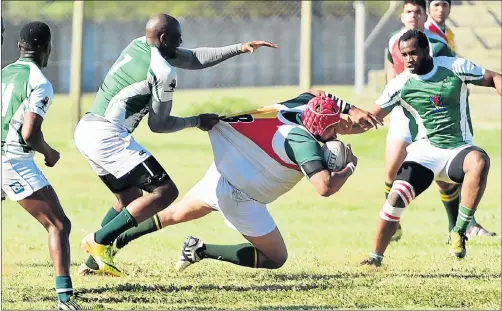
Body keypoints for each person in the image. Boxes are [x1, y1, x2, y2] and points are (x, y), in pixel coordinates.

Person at [82, 90, 381, 272]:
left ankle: (102, 246)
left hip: (227, 170)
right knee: (276, 258)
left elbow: (316, 93)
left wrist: (349, 107)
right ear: (320, 130)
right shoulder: (303, 142)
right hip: (242, 196)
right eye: (334, 130)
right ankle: (201, 249)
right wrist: (350, 167)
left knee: (170, 215)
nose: (338, 134)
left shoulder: (302, 107)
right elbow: (324, 187)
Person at [74, 14, 280, 277]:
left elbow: (194, 58)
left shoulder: (138, 44)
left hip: (87, 129)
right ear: (163, 38)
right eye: (177, 38)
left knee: (128, 199)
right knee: (165, 191)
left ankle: (94, 264)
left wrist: (239, 48)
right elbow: (159, 125)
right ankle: (98, 240)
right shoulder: (163, 72)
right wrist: (197, 120)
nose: (182, 42)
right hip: (107, 136)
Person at [348, 29, 501, 266]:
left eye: (413, 53)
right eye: (404, 55)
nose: (408, 59)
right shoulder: (400, 84)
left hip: (457, 150)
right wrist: (338, 126)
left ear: (426, 50)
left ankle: (458, 231)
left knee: (479, 161)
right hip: (423, 153)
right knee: (396, 197)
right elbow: (371, 119)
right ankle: (375, 258)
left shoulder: (454, 66)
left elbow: (493, 78)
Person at [1, 21, 99, 310]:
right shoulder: (40, 82)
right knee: (58, 224)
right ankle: (65, 299)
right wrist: (50, 152)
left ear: (20, 47)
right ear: (48, 49)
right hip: (12, 159)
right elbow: (30, 133)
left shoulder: (5, 74)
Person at [384, 0, 494, 241]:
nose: (413, 16)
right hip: (403, 107)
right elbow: (391, 74)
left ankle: (460, 225)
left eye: (417, 12)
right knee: (392, 170)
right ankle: (392, 225)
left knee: (445, 177)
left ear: (425, 17)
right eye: (408, 12)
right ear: (402, 16)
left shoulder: (440, 43)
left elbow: (451, 74)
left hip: (432, 112)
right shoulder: (393, 41)